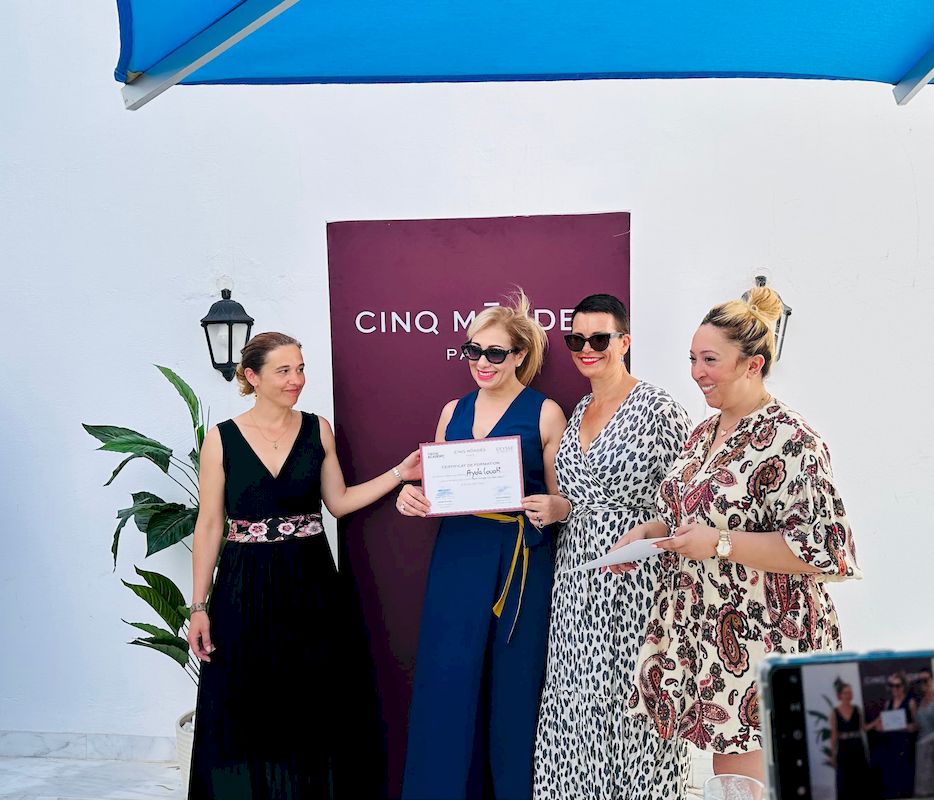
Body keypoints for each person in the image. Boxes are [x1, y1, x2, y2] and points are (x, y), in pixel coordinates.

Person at [610, 283, 861, 783]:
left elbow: (823, 549)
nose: (696, 372)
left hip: (766, 634)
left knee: (747, 779)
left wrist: (720, 544)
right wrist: (649, 531)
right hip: (709, 633)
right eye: (692, 359)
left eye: (710, 360)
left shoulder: (793, 439)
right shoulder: (703, 434)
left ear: (753, 364)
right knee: (733, 780)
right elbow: (683, 514)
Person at [186, 331, 421, 800]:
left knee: (312, 701)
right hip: (243, 587)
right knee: (247, 703)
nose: (296, 379)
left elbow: (339, 501)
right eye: (283, 371)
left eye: (300, 368)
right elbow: (209, 525)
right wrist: (198, 606)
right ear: (252, 377)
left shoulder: (318, 429)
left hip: (310, 583)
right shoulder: (221, 439)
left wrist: (399, 474)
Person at [395, 291, 567, 800]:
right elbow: (436, 486)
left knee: (514, 685)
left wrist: (556, 507)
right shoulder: (453, 410)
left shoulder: (546, 413)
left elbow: (562, 498)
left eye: (495, 352)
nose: (482, 363)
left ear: (519, 355)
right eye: (473, 351)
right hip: (457, 555)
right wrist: (411, 496)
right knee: (447, 680)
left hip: (520, 561)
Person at [528, 294, 693, 800]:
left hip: (637, 578)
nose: (587, 349)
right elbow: (578, 499)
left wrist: (649, 535)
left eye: (599, 339)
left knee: (633, 697)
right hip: (576, 576)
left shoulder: (659, 408)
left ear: (624, 342)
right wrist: (560, 508)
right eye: (576, 339)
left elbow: (689, 498)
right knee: (576, 696)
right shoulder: (578, 411)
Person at [867, 671, 918, 798]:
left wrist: (907, 727)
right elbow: (882, 722)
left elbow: (916, 725)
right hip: (890, 746)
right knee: (891, 780)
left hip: (905, 746)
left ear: (904, 686)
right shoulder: (888, 703)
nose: (894, 688)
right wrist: (879, 727)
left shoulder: (910, 702)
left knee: (905, 779)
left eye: (897, 685)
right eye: (892, 685)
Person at [830, 682, 870, 799]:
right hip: (843, 748)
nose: (848, 695)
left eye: (850, 692)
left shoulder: (858, 710)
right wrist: (832, 754)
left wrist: (877, 722)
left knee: (859, 779)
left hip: (857, 747)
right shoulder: (834, 712)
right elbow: (833, 734)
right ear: (840, 695)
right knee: (844, 780)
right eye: (846, 693)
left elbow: (864, 728)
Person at [914, 667, 934, 796]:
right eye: (920, 681)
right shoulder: (920, 701)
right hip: (922, 747)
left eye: (926, 680)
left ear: (932, 680)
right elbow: (918, 725)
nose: (923, 684)